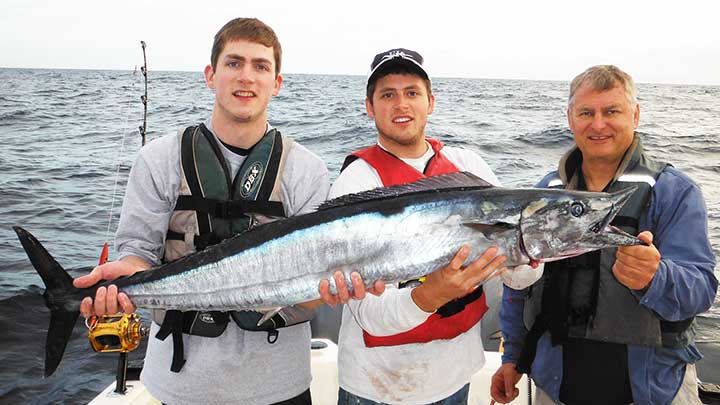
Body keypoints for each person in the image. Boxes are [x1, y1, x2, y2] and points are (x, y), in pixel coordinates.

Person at [73, 18, 334, 405]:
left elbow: (313, 288)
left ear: (277, 83)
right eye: (234, 63)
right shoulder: (157, 159)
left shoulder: (308, 169)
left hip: (282, 386)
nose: (246, 77)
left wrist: (334, 288)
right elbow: (137, 254)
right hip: (179, 386)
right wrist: (121, 280)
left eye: (261, 66)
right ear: (211, 75)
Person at [490, 65, 718, 405]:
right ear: (570, 118)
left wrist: (656, 278)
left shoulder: (674, 192)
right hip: (556, 388)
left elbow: (701, 290)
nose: (598, 124)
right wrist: (513, 357)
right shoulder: (545, 192)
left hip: (652, 391)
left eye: (612, 111)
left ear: (635, 114)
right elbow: (517, 284)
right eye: (586, 112)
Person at [326, 48, 508, 404]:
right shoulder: (354, 182)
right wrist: (433, 293)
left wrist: (531, 259)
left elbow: (518, 275)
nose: (401, 104)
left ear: (431, 101)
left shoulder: (467, 165)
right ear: (369, 106)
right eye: (387, 95)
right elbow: (369, 314)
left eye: (412, 92)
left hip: (454, 377)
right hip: (373, 386)